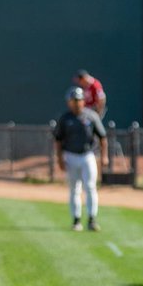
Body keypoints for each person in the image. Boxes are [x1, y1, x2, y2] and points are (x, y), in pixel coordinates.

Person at [54, 86, 109, 232]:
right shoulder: (65, 118)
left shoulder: (91, 116)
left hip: (87, 155)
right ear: (69, 102)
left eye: (79, 100)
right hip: (70, 155)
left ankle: (92, 219)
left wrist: (104, 156)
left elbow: (103, 137)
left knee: (90, 187)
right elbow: (58, 140)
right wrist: (59, 159)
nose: (76, 103)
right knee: (74, 189)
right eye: (74, 100)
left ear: (83, 101)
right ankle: (76, 220)